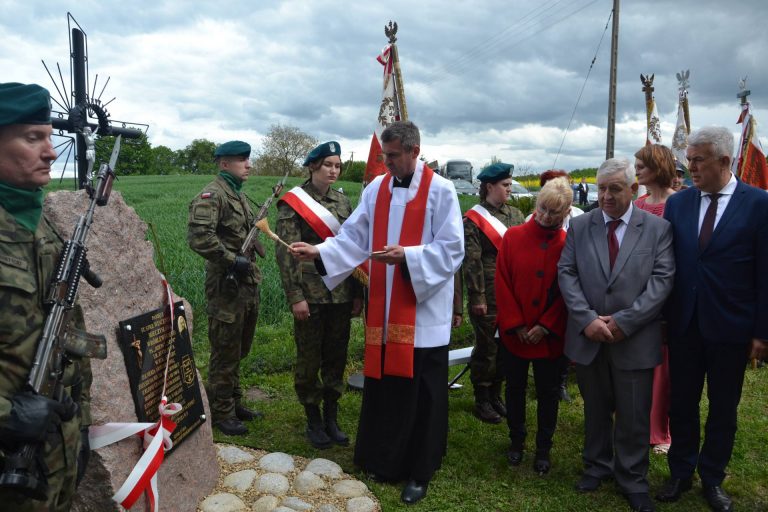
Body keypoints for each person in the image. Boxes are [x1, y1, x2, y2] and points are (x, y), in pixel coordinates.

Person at [290, 121, 463, 504]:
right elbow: (354, 235)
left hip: (422, 308)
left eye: (393, 156)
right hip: (385, 309)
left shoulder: (441, 190)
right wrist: (320, 251)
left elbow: (452, 249)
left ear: (415, 151)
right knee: (385, 384)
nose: (386, 163)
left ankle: (421, 467)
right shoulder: (378, 189)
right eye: (384, 155)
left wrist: (409, 257)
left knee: (422, 390)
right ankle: (380, 458)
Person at [657, 126, 768, 512]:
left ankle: (713, 478)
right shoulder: (679, 204)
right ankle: (681, 472)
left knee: (723, 408)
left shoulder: (759, 204)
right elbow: (667, 267)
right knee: (681, 403)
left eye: (698, 160)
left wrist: (761, 331)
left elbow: (765, 273)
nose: (690, 168)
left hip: (731, 327)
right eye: (688, 160)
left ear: (724, 161)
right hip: (685, 324)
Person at [558, 157, 675, 512]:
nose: (605, 196)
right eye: (601, 188)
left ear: (633, 189)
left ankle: (632, 477)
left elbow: (661, 281)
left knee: (634, 413)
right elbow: (567, 273)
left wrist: (624, 321)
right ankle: (597, 465)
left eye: (614, 188)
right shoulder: (581, 226)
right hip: (589, 336)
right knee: (595, 409)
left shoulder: (657, 229)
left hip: (634, 338)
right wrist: (586, 319)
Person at [0, 82, 93, 511]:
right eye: (32, 137)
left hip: (54, 453)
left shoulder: (40, 226)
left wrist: (83, 424)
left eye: (50, 137)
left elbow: (67, 332)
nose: (51, 152)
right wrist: (6, 415)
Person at [275, 141, 362, 449]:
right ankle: (313, 418)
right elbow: (286, 254)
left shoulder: (342, 201)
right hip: (310, 294)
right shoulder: (293, 203)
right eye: (328, 165)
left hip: (340, 293)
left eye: (337, 166)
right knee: (310, 357)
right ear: (313, 166)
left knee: (337, 356)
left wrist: (358, 293)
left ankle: (331, 416)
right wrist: (295, 296)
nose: (334, 171)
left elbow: (354, 248)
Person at [496, 177, 572, 476]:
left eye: (555, 212)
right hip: (515, 334)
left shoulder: (569, 245)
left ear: (567, 212)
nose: (546, 216)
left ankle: (543, 447)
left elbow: (569, 291)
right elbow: (502, 283)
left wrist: (546, 325)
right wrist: (514, 324)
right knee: (514, 388)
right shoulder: (513, 237)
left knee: (548, 391)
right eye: (543, 208)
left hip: (549, 336)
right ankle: (516, 440)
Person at [187, 140, 262, 436]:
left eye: (248, 160)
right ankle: (221, 411)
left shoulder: (237, 194)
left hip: (246, 283)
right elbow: (198, 237)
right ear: (224, 163)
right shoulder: (212, 194)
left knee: (239, 347)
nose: (249, 165)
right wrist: (232, 260)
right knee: (224, 349)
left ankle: (233, 401)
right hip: (225, 285)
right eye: (242, 160)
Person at [462, 162, 524, 423]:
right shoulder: (473, 219)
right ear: (490, 187)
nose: (510, 190)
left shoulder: (516, 216)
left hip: (513, 293)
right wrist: (477, 298)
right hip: (487, 292)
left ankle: (497, 393)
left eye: (510, 185)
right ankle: (482, 397)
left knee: (505, 346)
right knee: (487, 347)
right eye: (505, 186)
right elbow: (472, 261)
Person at [527, 170, 586, 402]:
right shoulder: (530, 219)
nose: (547, 215)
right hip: (538, 288)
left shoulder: (579, 218)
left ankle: (560, 381)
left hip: (564, 289)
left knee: (562, 339)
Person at [633, 144, 677, 455]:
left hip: (667, 293)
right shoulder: (638, 204)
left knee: (664, 368)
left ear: (657, 167)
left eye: (642, 165)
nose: (636, 170)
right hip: (635, 291)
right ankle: (633, 420)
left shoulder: (679, 203)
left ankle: (659, 430)